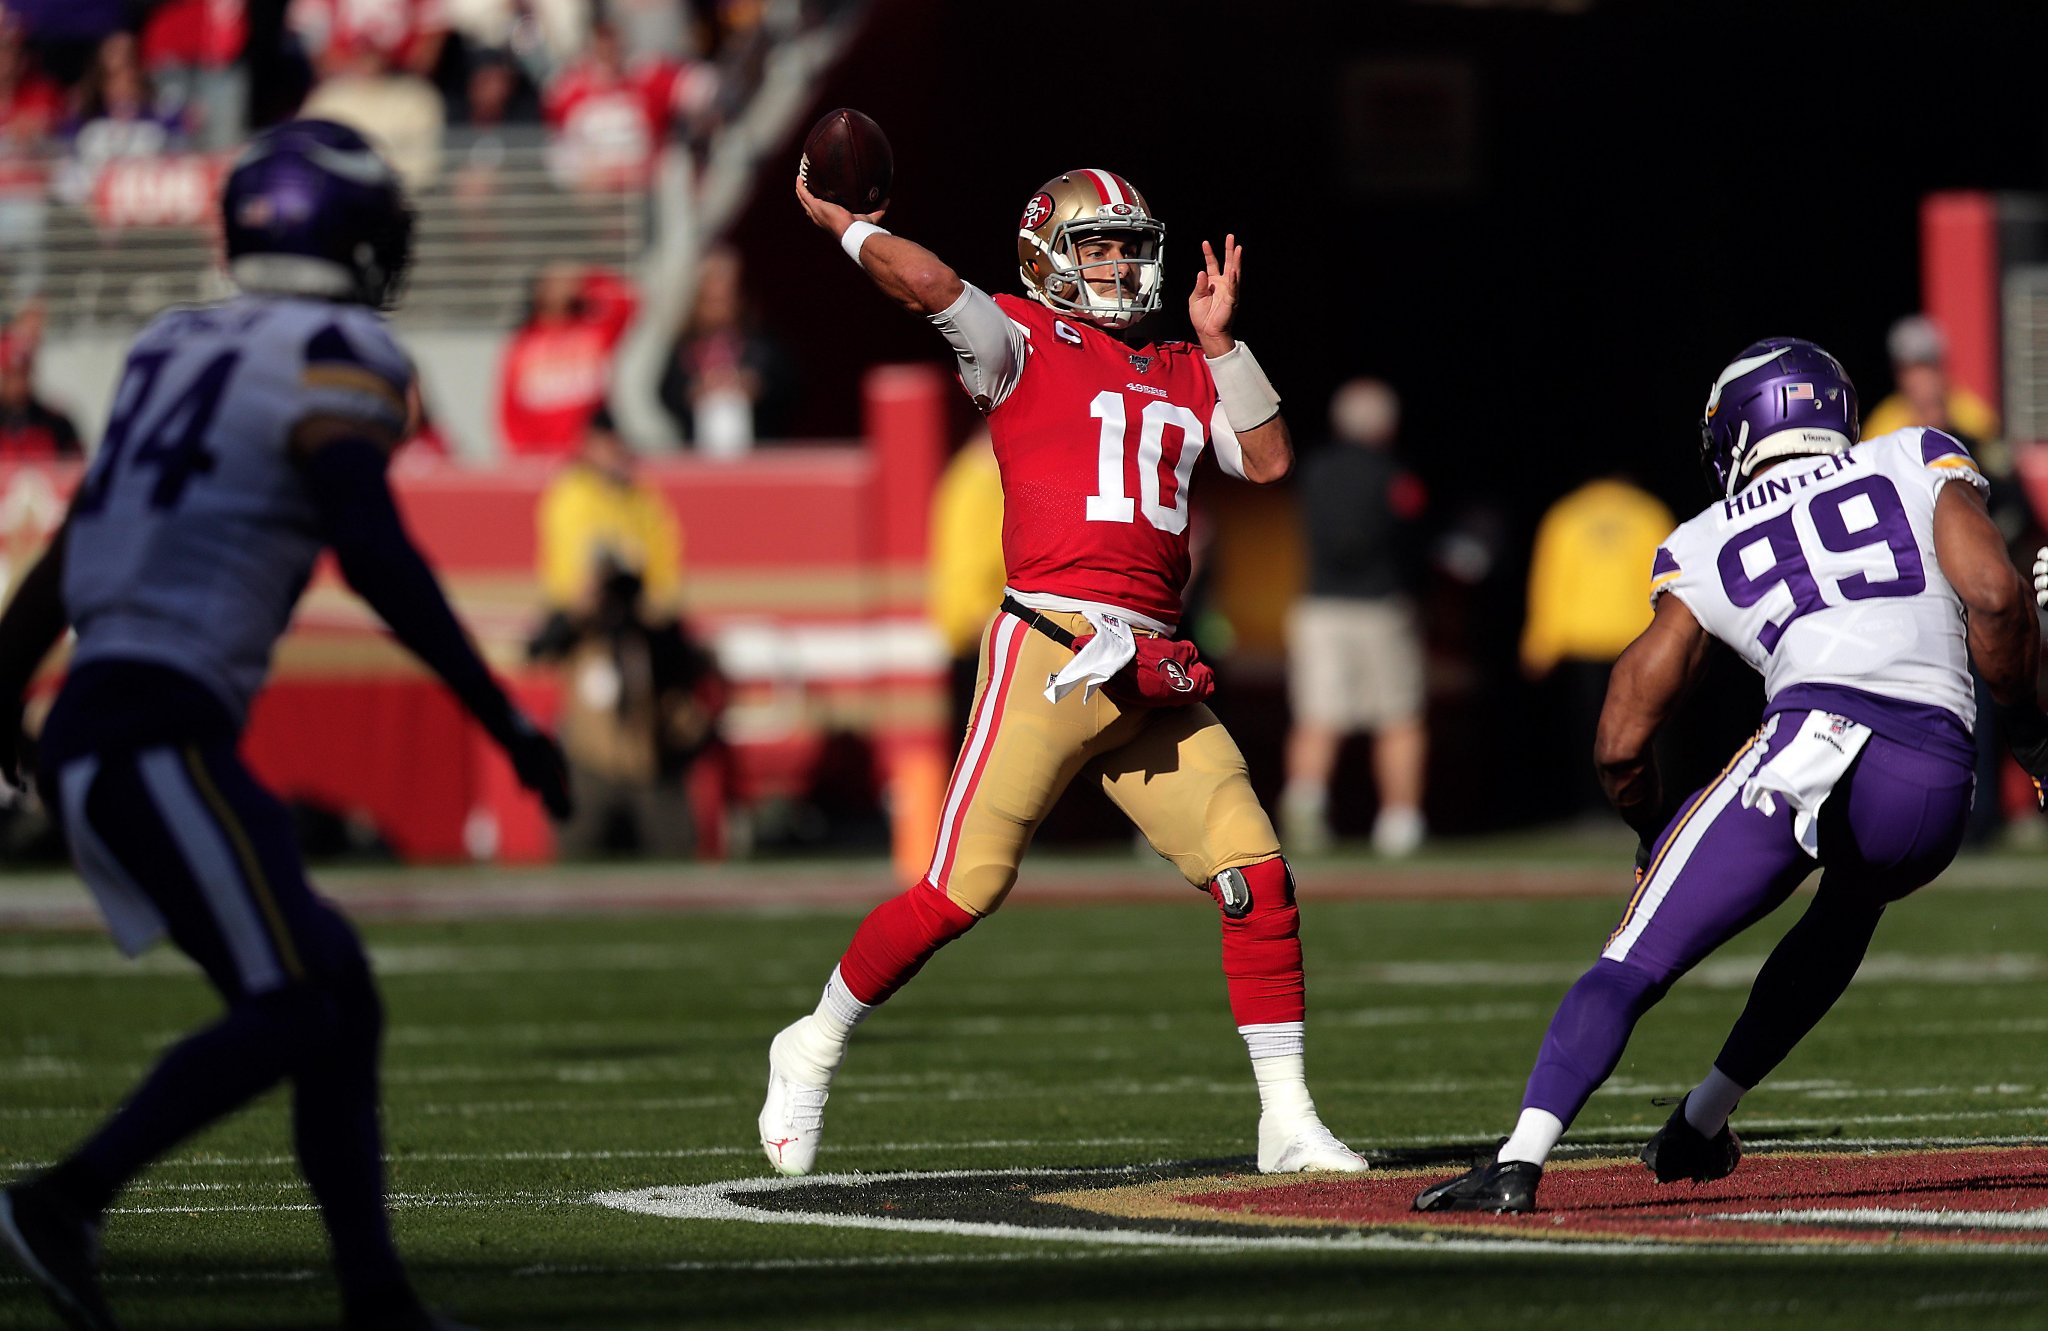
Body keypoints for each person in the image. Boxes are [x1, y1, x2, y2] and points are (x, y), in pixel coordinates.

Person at [0, 120, 571, 1330]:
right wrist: (501, 715)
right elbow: (369, 546)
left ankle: (376, 1298)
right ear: (347, 232)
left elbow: (77, 538)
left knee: (334, 991)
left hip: (111, 713)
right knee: (300, 1003)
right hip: (151, 721)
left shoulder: (170, 342)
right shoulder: (341, 348)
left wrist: (3, 683)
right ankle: (64, 1198)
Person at [756, 166, 1366, 1179]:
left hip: (1151, 665)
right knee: (961, 891)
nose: (1121, 264)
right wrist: (854, 231)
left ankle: (1287, 1116)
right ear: (1047, 254)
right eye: (1098, 246)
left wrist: (1222, 344)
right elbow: (927, 283)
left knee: (1256, 875)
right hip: (1050, 647)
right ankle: (811, 1042)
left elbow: (1263, 462)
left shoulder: (1180, 363)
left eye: (1131, 245)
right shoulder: (1017, 341)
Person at [1414, 338, 2043, 1214]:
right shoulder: (1913, 452)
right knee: (1851, 903)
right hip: (1936, 782)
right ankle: (1704, 1119)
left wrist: (1650, 825)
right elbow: (1999, 597)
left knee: (1633, 960)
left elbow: (1623, 730)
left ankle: (1519, 1158)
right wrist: (2032, 733)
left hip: (1813, 738)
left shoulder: (1707, 537)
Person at [1280, 378, 1429, 857]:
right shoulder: (1395, 475)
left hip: (1320, 608)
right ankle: (1400, 822)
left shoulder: (1313, 469)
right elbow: (1414, 535)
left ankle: (1305, 806)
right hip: (1382, 609)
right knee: (1399, 718)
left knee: (1317, 718)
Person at [1519, 473, 1674, 819]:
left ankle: (1594, 808)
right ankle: (1648, 807)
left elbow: (1551, 582)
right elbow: (1669, 579)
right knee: (1647, 726)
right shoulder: (1647, 512)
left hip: (1582, 640)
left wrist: (1539, 645)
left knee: (1592, 729)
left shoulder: (1566, 515)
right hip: (1638, 637)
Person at [1862, 314, 1998, 445]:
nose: (1923, 380)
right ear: (1899, 375)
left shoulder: (1972, 416)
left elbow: (1992, 455)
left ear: (1942, 368)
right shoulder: (1882, 429)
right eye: (1912, 370)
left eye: (1929, 367)